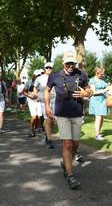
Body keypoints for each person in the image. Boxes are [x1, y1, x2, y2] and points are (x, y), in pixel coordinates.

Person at [44, 51, 92, 190]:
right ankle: (70, 175)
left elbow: (88, 89)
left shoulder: (81, 74)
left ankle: (65, 163)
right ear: (63, 63)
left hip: (77, 113)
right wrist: (47, 106)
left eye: (73, 63)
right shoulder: (54, 76)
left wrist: (86, 93)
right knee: (68, 143)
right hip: (62, 114)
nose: (71, 65)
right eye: (68, 63)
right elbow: (47, 91)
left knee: (76, 144)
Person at [34, 62, 56, 148]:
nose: (48, 69)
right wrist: (36, 95)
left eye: (50, 68)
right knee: (48, 118)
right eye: (47, 68)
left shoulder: (56, 77)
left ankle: (48, 135)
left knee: (52, 120)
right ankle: (48, 139)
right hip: (44, 101)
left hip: (54, 100)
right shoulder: (39, 78)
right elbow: (35, 87)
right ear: (44, 69)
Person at [88, 67, 110, 140]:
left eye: (103, 74)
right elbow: (94, 92)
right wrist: (104, 90)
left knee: (102, 117)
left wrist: (108, 88)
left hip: (103, 100)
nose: (102, 75)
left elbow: (106, 90)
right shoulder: (92, 80)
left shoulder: (103, 80)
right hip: (96, 100)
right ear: (97, 73)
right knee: (98, 117)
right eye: (101, 74)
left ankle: (99, 133)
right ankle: (97, 135)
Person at [24, 70, 41, 137]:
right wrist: (30, 96)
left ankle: (35, 129)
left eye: (39, 76)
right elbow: (24, 92)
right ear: (34, 76)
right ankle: (31, 130)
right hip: (31, 101)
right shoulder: (29, 82)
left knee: (38, 117)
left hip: (38, 100)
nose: (38, 77)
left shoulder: (41, 82)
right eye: (37, 76)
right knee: (34, 117)